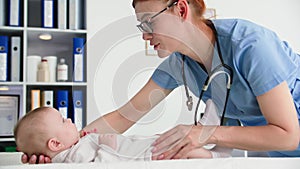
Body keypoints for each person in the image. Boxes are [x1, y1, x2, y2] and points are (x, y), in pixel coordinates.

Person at [24, 0, 300, 163]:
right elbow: (124, 116)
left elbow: (288, 135)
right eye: (141, 26)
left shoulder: (251, 46)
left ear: (180, 9)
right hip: (279, 157)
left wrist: (205, 134)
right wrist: (62, 148)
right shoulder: (179, 64)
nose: (145, 35)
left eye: (149, 22)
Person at [15, 106, 231, 163]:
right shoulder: (72, 158)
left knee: (170, 139)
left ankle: (203, 128)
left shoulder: (72, 148)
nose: (69, 120)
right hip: (140, 156)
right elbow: (100, 167)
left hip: (136, 148)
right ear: (55, 143)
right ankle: (215, 157)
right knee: (180, 151)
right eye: (63, 121)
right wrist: (108, 148)